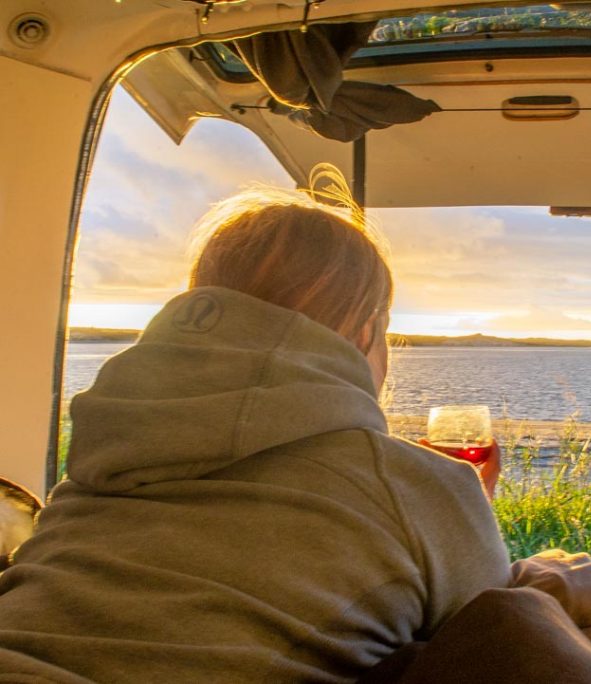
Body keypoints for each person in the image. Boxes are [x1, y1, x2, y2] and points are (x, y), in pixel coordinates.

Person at [0, 183, 516, 681]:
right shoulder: (412, 485)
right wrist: (456, 506)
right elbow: (494, 640)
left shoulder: (105, 453)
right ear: (365, 333)